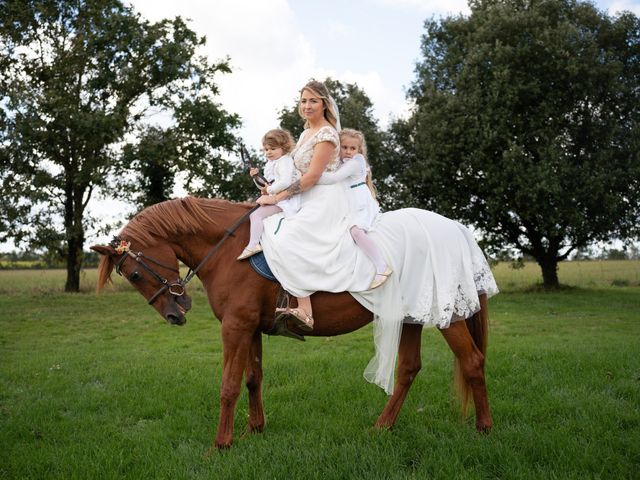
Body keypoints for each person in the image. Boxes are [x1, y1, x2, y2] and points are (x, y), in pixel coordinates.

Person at [316, 128, 391, 289]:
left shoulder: (356, 162)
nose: (348, 152)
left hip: (359, 201)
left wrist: (311, 176)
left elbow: (334, 178)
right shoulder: (342, 163)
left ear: (358, 150)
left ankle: (381, 266)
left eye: (352, 148)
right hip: (348, 201)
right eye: (345, 147)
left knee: (356, 231)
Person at [237, 129, 300, 260]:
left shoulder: (285, 161)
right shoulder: (269, 164)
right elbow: (264, 186)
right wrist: (256, 178)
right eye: (266, 149)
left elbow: (285, 182)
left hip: (286, 200)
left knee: (255, 215)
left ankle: (254, 244)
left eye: (273, 148)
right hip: (275, 198)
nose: (268, 152)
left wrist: (270, 190)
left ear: (283, 147)